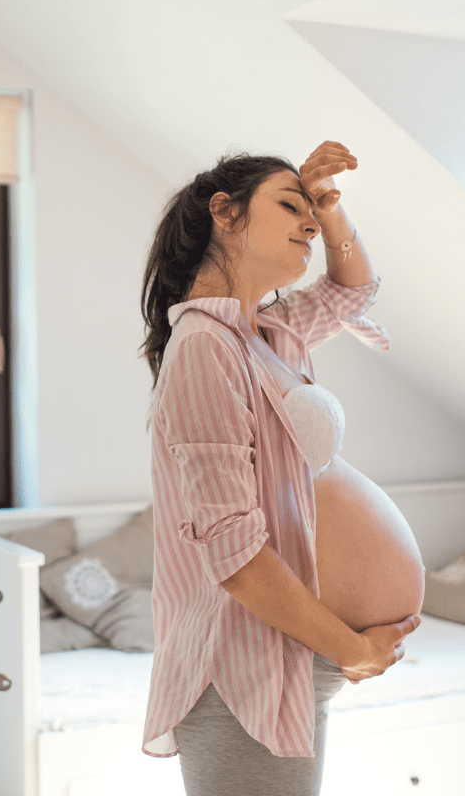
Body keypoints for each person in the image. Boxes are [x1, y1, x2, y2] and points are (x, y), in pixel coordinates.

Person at [139, 141, 424, 795]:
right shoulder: (206, 346)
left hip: (287, 654)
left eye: (312, 212)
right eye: (291, 205)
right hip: (243, 667)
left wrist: (331, 209)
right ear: (224, 212)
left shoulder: (265, 334)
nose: (310, 224)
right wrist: (352, 649)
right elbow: (234, 554)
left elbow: (353, 291)